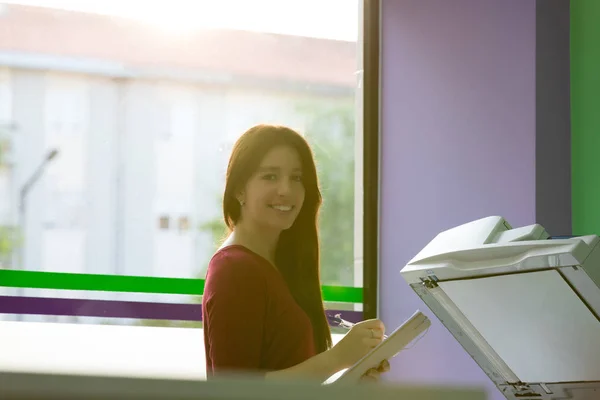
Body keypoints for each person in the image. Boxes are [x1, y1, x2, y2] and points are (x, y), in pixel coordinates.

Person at [202, 124, 390, 383]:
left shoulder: (280, 265)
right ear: (238, 189)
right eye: (270, 176)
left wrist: (352, 377)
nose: (285, 190)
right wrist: (337, 358)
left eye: (297, 178)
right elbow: (235, 390)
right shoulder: (236, 268)